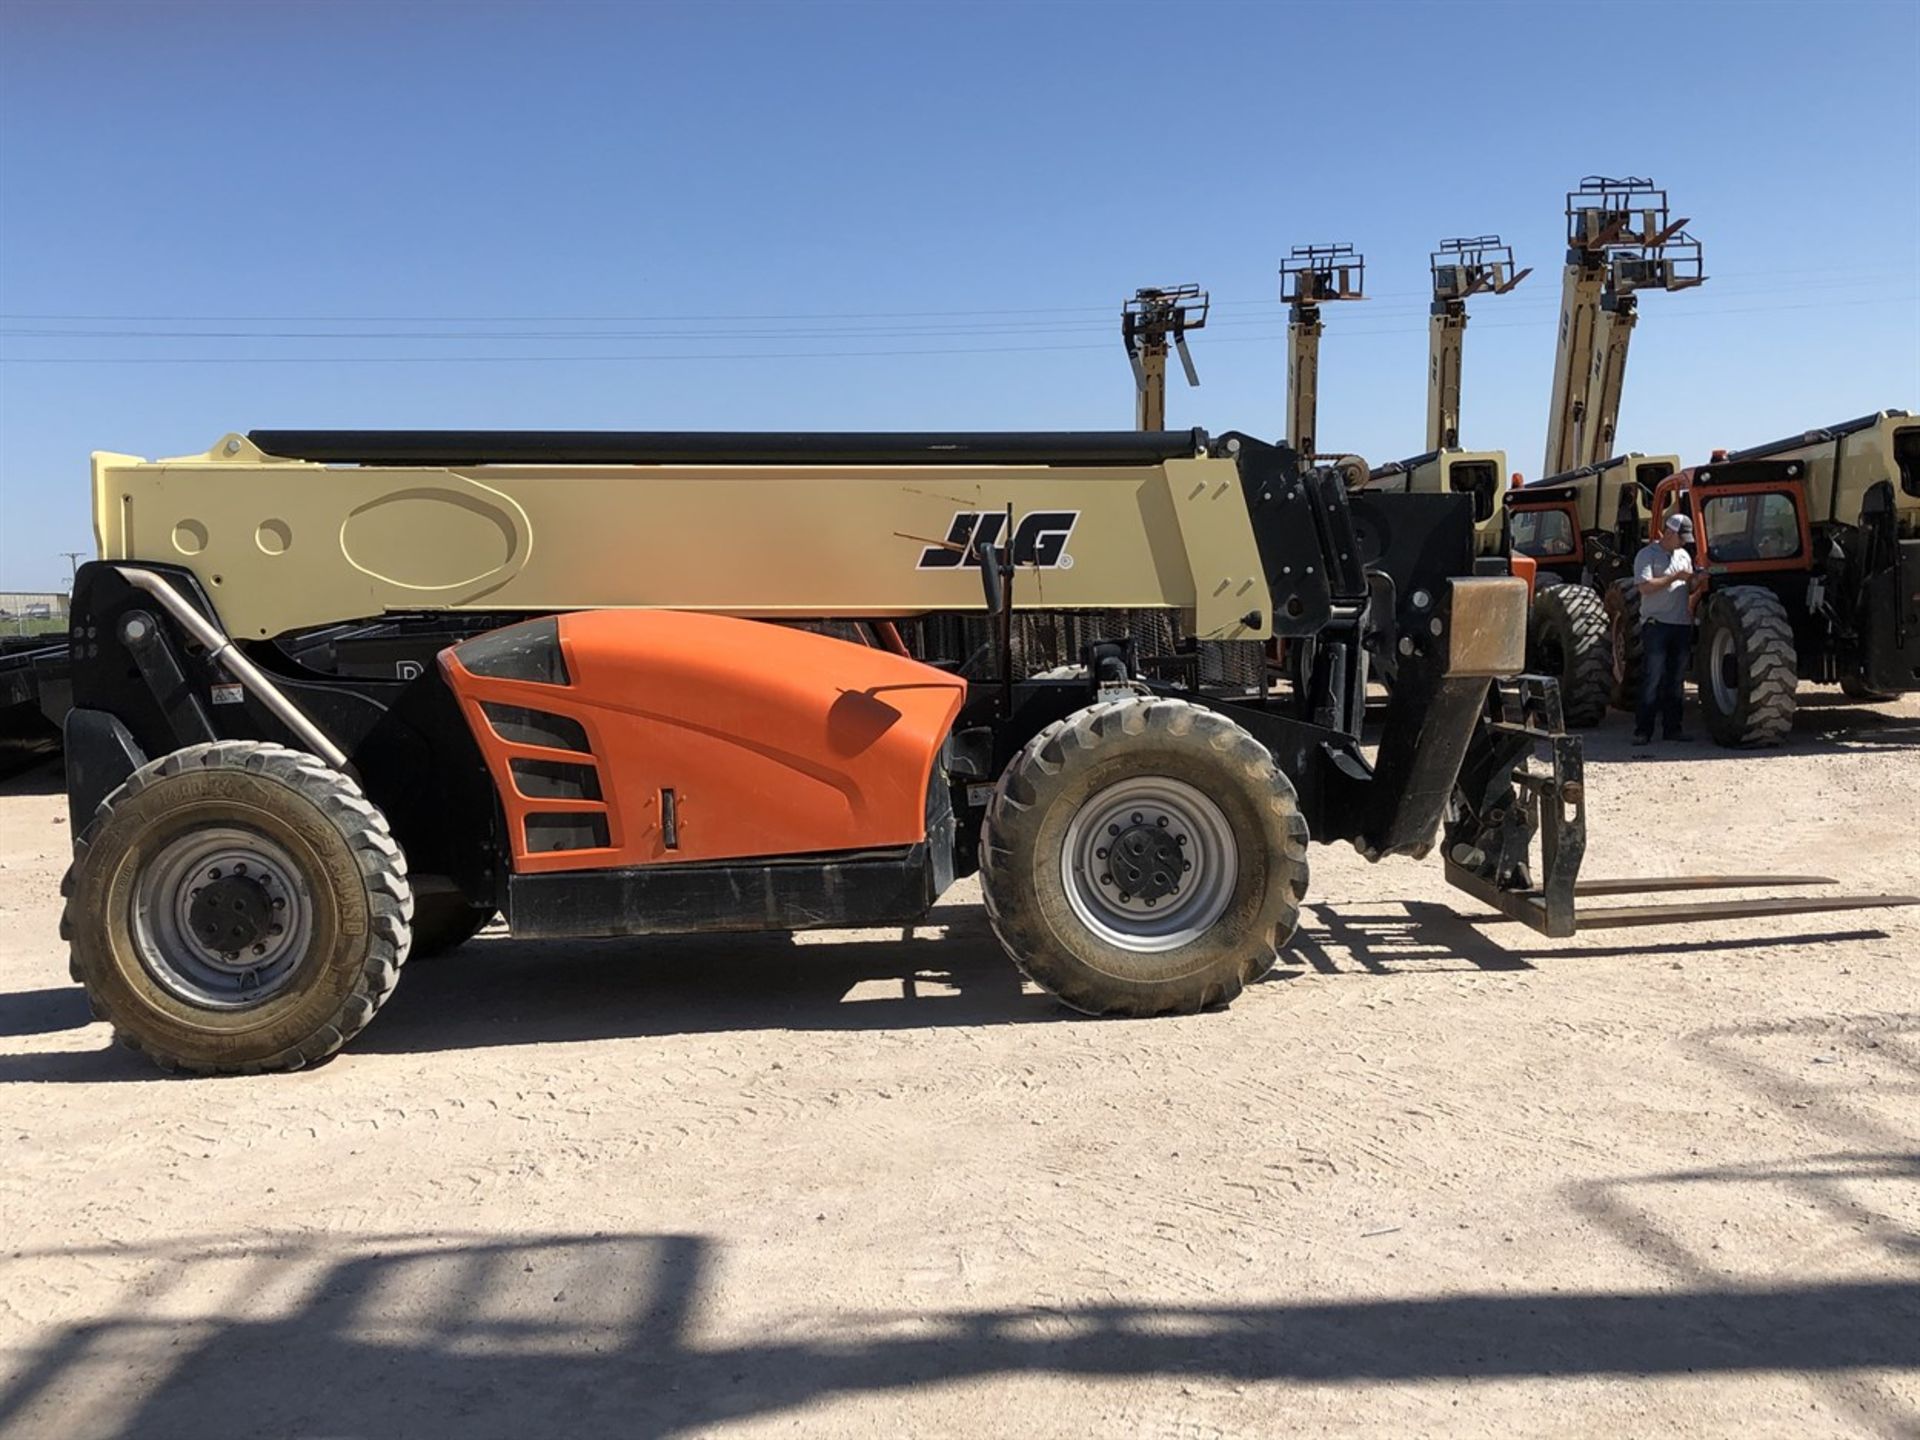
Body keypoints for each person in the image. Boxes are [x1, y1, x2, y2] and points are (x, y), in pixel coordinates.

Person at [1632, 512, 1704, 746]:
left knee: (1675, 680)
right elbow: (1644, 586)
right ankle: (1643, 731)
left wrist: (1695, 580)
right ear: (1670, 532)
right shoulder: (1647, 555)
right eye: (1681, 538)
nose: (1684, 543)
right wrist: (1674, 577)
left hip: (1681, 624)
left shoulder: (1683, 555)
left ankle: (1673, 729)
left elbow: (1689, 588)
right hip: (1656, 625)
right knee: (1652, 678)